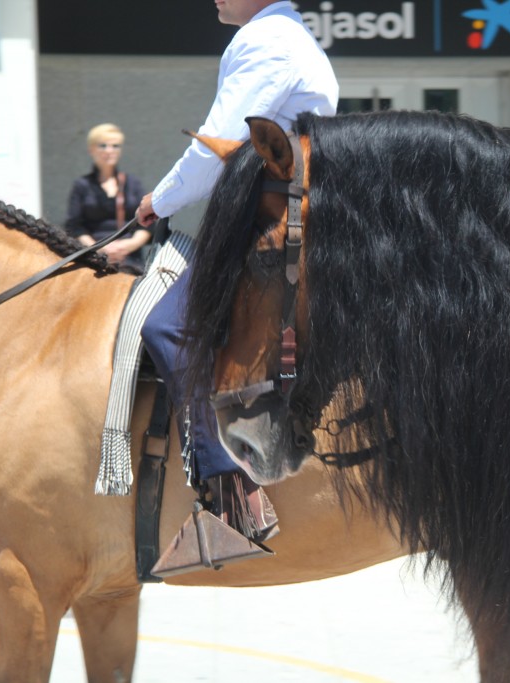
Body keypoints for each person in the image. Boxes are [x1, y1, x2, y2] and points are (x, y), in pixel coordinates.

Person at [135, 0, 338, 573]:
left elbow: (214, 147)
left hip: (261, 219)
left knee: (168, 322)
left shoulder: (264, 40)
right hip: (286, 211)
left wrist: (159, 200)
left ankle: (230, 499)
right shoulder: (294, 38)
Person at [65, 123, 150, 273]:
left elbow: (149, 221)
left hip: (130, 259)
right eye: (103, 146)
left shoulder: (132, 183)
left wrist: (128, 245)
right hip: (93, 258)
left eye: (115, 146)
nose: (109, 151)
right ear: (91, 149)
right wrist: (99, 248)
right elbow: (74, 226)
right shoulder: (82, 185)